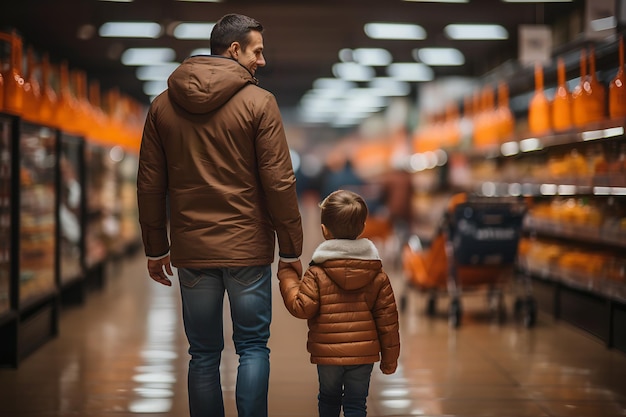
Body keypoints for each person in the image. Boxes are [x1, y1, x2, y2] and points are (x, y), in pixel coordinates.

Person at [136, 13, 303, 417]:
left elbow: (149, 185)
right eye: (257, 51)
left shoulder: (162, 106)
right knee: (251, 348)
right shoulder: (259, 103)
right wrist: (291, 249)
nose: (262, 61)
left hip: (193, 251)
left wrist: (156, 248)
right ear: (235, 50)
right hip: (247, 249)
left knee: (203, 354)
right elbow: (279, 182)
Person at [277, 189, 400, 417]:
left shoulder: (317, 273)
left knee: (329, 399)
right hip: (364, 355)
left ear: (324, 230)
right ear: (363, 227)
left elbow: (302, 306)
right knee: (356, 404)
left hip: (328, 355)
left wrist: (288, 278)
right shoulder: (377, 274)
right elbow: (388, 320)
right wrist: (390, 360)